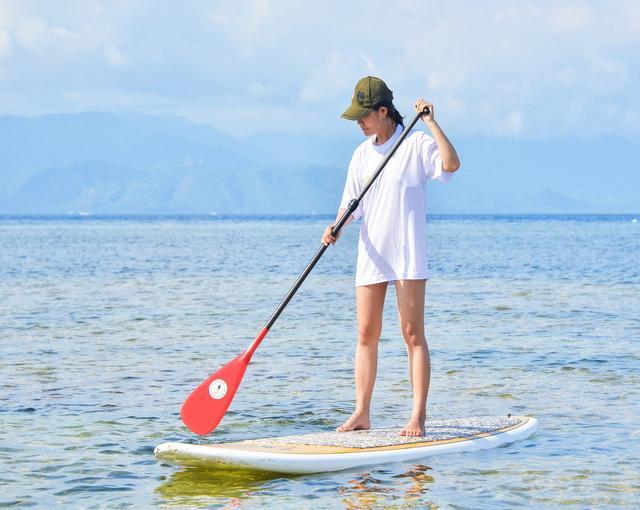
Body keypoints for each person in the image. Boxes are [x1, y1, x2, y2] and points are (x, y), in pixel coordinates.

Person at [322, 76, 460, 437]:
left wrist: (431, 121)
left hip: (407, 253)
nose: (359, 124)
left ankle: (417, 416)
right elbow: (351, 203)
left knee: (412, 333)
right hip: (372, 252)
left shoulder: (415, 144)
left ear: (383, 111)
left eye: (364, 116)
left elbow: (451, 164)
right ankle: (361, 412)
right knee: (366, 333)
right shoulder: (361, 154)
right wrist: (336, 226)